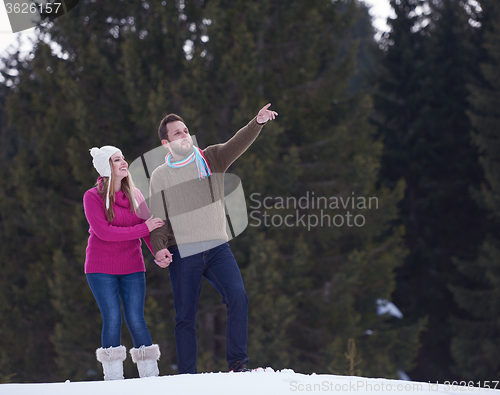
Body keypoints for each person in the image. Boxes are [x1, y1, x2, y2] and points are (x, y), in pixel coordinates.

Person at [149, 104, 278, 374]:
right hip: (183, 252)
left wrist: (258, 121)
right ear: (165, 143)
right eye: (176, 134)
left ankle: (238, 364)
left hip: (218, 248)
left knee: (238, 297)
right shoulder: (161, 175)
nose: (184, 135)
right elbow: (158, 218)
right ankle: (187, 376)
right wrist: (159, 248)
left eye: (185, 130)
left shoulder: (210, 159)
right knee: (185, 316)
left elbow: (236, 143)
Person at [84, 145, 165, 380]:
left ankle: (150, 378)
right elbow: (105, 232)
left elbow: (150, 229)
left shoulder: (135, 194)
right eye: (115, 159)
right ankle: (113, 380)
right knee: (112, 319)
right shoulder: (92, 196)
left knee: (136, 319)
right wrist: (143, 228)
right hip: (101, 268)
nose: (123, 162)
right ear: (105, 167)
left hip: (132, 266)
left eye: (122, 158)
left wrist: (158, 252)